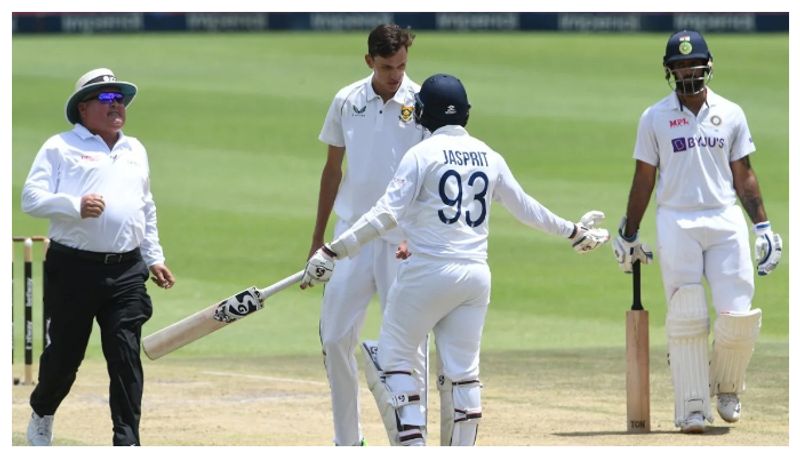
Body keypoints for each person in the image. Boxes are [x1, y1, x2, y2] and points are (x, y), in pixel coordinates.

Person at [301, 73, 609, 445]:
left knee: (392, 362)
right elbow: (527, 208)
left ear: (422, 114)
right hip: (476, 278)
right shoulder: (488, 155)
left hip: (426, 273)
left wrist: (335, 249)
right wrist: (575, 232)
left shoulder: (420, 154)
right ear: (466, 113)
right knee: (463, 375)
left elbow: (385, 214)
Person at [613, 30, 782, 434]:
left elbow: (745, 175)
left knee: (738, 315)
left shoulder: (732, 112)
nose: (688, 70)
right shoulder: (654, 117)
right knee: (687, 316)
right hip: (676, 221)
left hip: (725, 220)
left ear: (708, 66)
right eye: (680, 65)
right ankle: (691, 405)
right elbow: (643, 179)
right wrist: (629, 232)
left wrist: (763, 226)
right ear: (670, 71)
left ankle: (726, 386)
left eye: (694, 63)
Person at [21, 68, 176, 446]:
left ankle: (127, 441)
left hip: (126, 270)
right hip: (72, 268)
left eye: (120, 98)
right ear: (84, 107)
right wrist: (74, 205)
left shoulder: (134, 148)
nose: (116, 104)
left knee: (125, 357)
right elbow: (31, 198)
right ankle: (43, 411)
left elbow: (145, 207)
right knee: (64, 358)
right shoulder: (60, 147)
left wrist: (154, 256)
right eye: (106, 98)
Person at [306, 23, 428, 446]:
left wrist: (418, 233)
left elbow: (429, 176)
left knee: (409, 345)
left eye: (401, 66)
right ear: (369, 61)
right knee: (336, 336)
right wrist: (319, 239)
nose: (396, 75)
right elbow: (331, 170)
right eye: (387, 66)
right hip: (352, 237)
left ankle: (414, 439)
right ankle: (346, 441)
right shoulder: (346, 100)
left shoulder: (422, 101)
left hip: (402, 240)